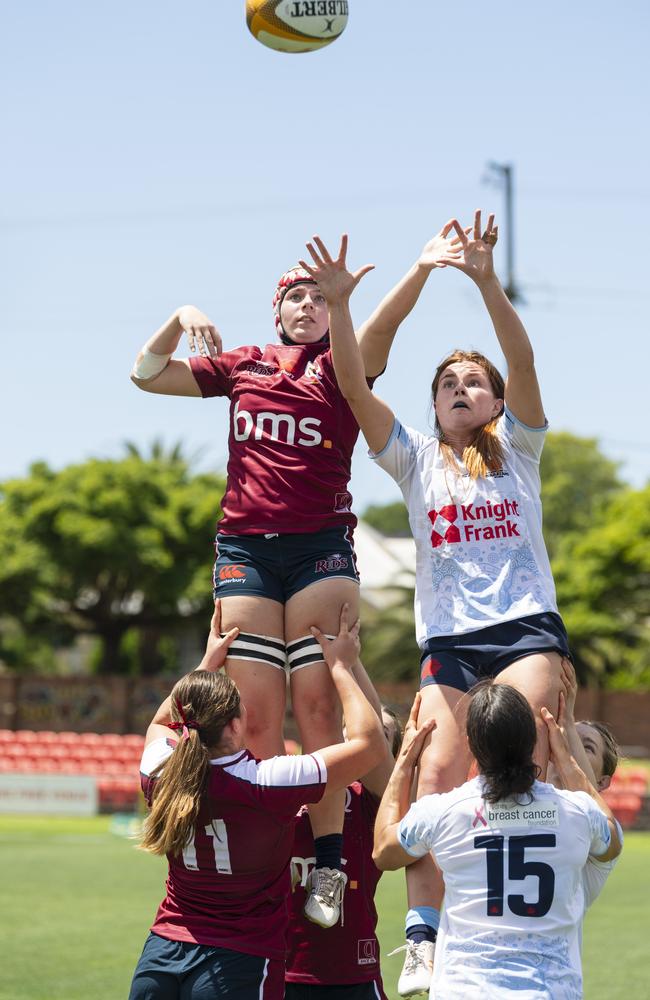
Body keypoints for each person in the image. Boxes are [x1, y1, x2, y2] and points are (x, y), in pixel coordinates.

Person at [298, 220, 571, 992]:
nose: (460, 389)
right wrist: (388, 287)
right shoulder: (415, 458)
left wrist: (486, 280)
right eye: (447, 383)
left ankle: (528, 922)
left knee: (531, 767)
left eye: (472, 382)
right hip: (450, 639)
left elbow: (520, 357)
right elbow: (351, 384)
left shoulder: (520, 446)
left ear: (496, 401)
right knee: (432, 779)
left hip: (524, 633)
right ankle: (424, 936)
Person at [129, 253, 385, 926]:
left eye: (318, 299)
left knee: (320, 712)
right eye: (296, 296)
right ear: (276, 311)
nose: (308, 306)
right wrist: (183, 312)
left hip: (321, 550)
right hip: (244, 551)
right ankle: (271, 863)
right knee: (258, 722)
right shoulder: (243, 363)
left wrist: (347, 301)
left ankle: (328, 864)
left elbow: (377, 340)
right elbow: (145, 374)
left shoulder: (343, 366)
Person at [128, 602, 385, 1000]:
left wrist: (206, 665)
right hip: (234, 964)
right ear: (235, 723)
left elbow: (162, 722)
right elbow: (368, 747)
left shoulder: (161, 773)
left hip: (162, 953)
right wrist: (341, 667)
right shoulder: (266, 782)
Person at [372, 681, 623, 999]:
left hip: (464, 991)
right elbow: (611, 840)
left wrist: (405, 760)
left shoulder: (446, 810)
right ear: (534, 742)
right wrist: (566, 757)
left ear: (471, 745)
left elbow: (383, 851)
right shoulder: (577, 811)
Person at [285, 691, 403, 1000]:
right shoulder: (295, 785)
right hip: (281, 969)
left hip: (353, 974)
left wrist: (345, 665)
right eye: (347, 727)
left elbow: (371, 752)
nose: (358, 734)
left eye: (382, 732)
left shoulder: (378, 803)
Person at [548, 657, 623, 910]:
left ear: (603, 782)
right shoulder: (515, 796)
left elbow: (587, 803)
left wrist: (567, 720)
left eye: (586, 746)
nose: (567, 745)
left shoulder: (607, 832)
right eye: (566, 735)